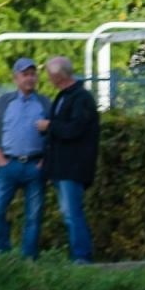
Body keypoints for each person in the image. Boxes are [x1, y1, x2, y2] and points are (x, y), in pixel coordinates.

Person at [37, 56, 98, 263]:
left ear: (57, 76)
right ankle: (78, 254)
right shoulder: (64, 96)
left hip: (73, 167)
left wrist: (49, 126)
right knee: (68, 213)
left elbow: (75, 129)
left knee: (72, 213)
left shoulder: (81, 98)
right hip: (60, 166)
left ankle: (81, 257)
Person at [0, 56, 47, 259]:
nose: (29, 78)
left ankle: (29, 260)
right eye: (25, 74)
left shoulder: (44, 103)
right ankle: (5, 255)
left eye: (32, 74)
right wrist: (0, 158)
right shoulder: (4, 102)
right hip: (8, 165)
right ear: (15, 78)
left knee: (34, 216)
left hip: (34, 166)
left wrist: (43, 161)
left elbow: (54, 135)